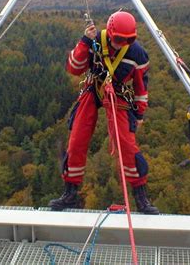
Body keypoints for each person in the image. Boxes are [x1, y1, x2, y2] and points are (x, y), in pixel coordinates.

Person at [49, 11, 159, 214]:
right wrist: (85, 41)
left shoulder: (137, 54)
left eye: (128, 40)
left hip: (118, 93)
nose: (121, 44)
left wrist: (140, 114)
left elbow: (141, 87)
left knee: (126, 143)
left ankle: (141, 196)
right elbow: (74, 68)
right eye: (118, 39)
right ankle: (70, 192)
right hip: (94, 87)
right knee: (77, 137)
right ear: (110, 33)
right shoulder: (95, 41)